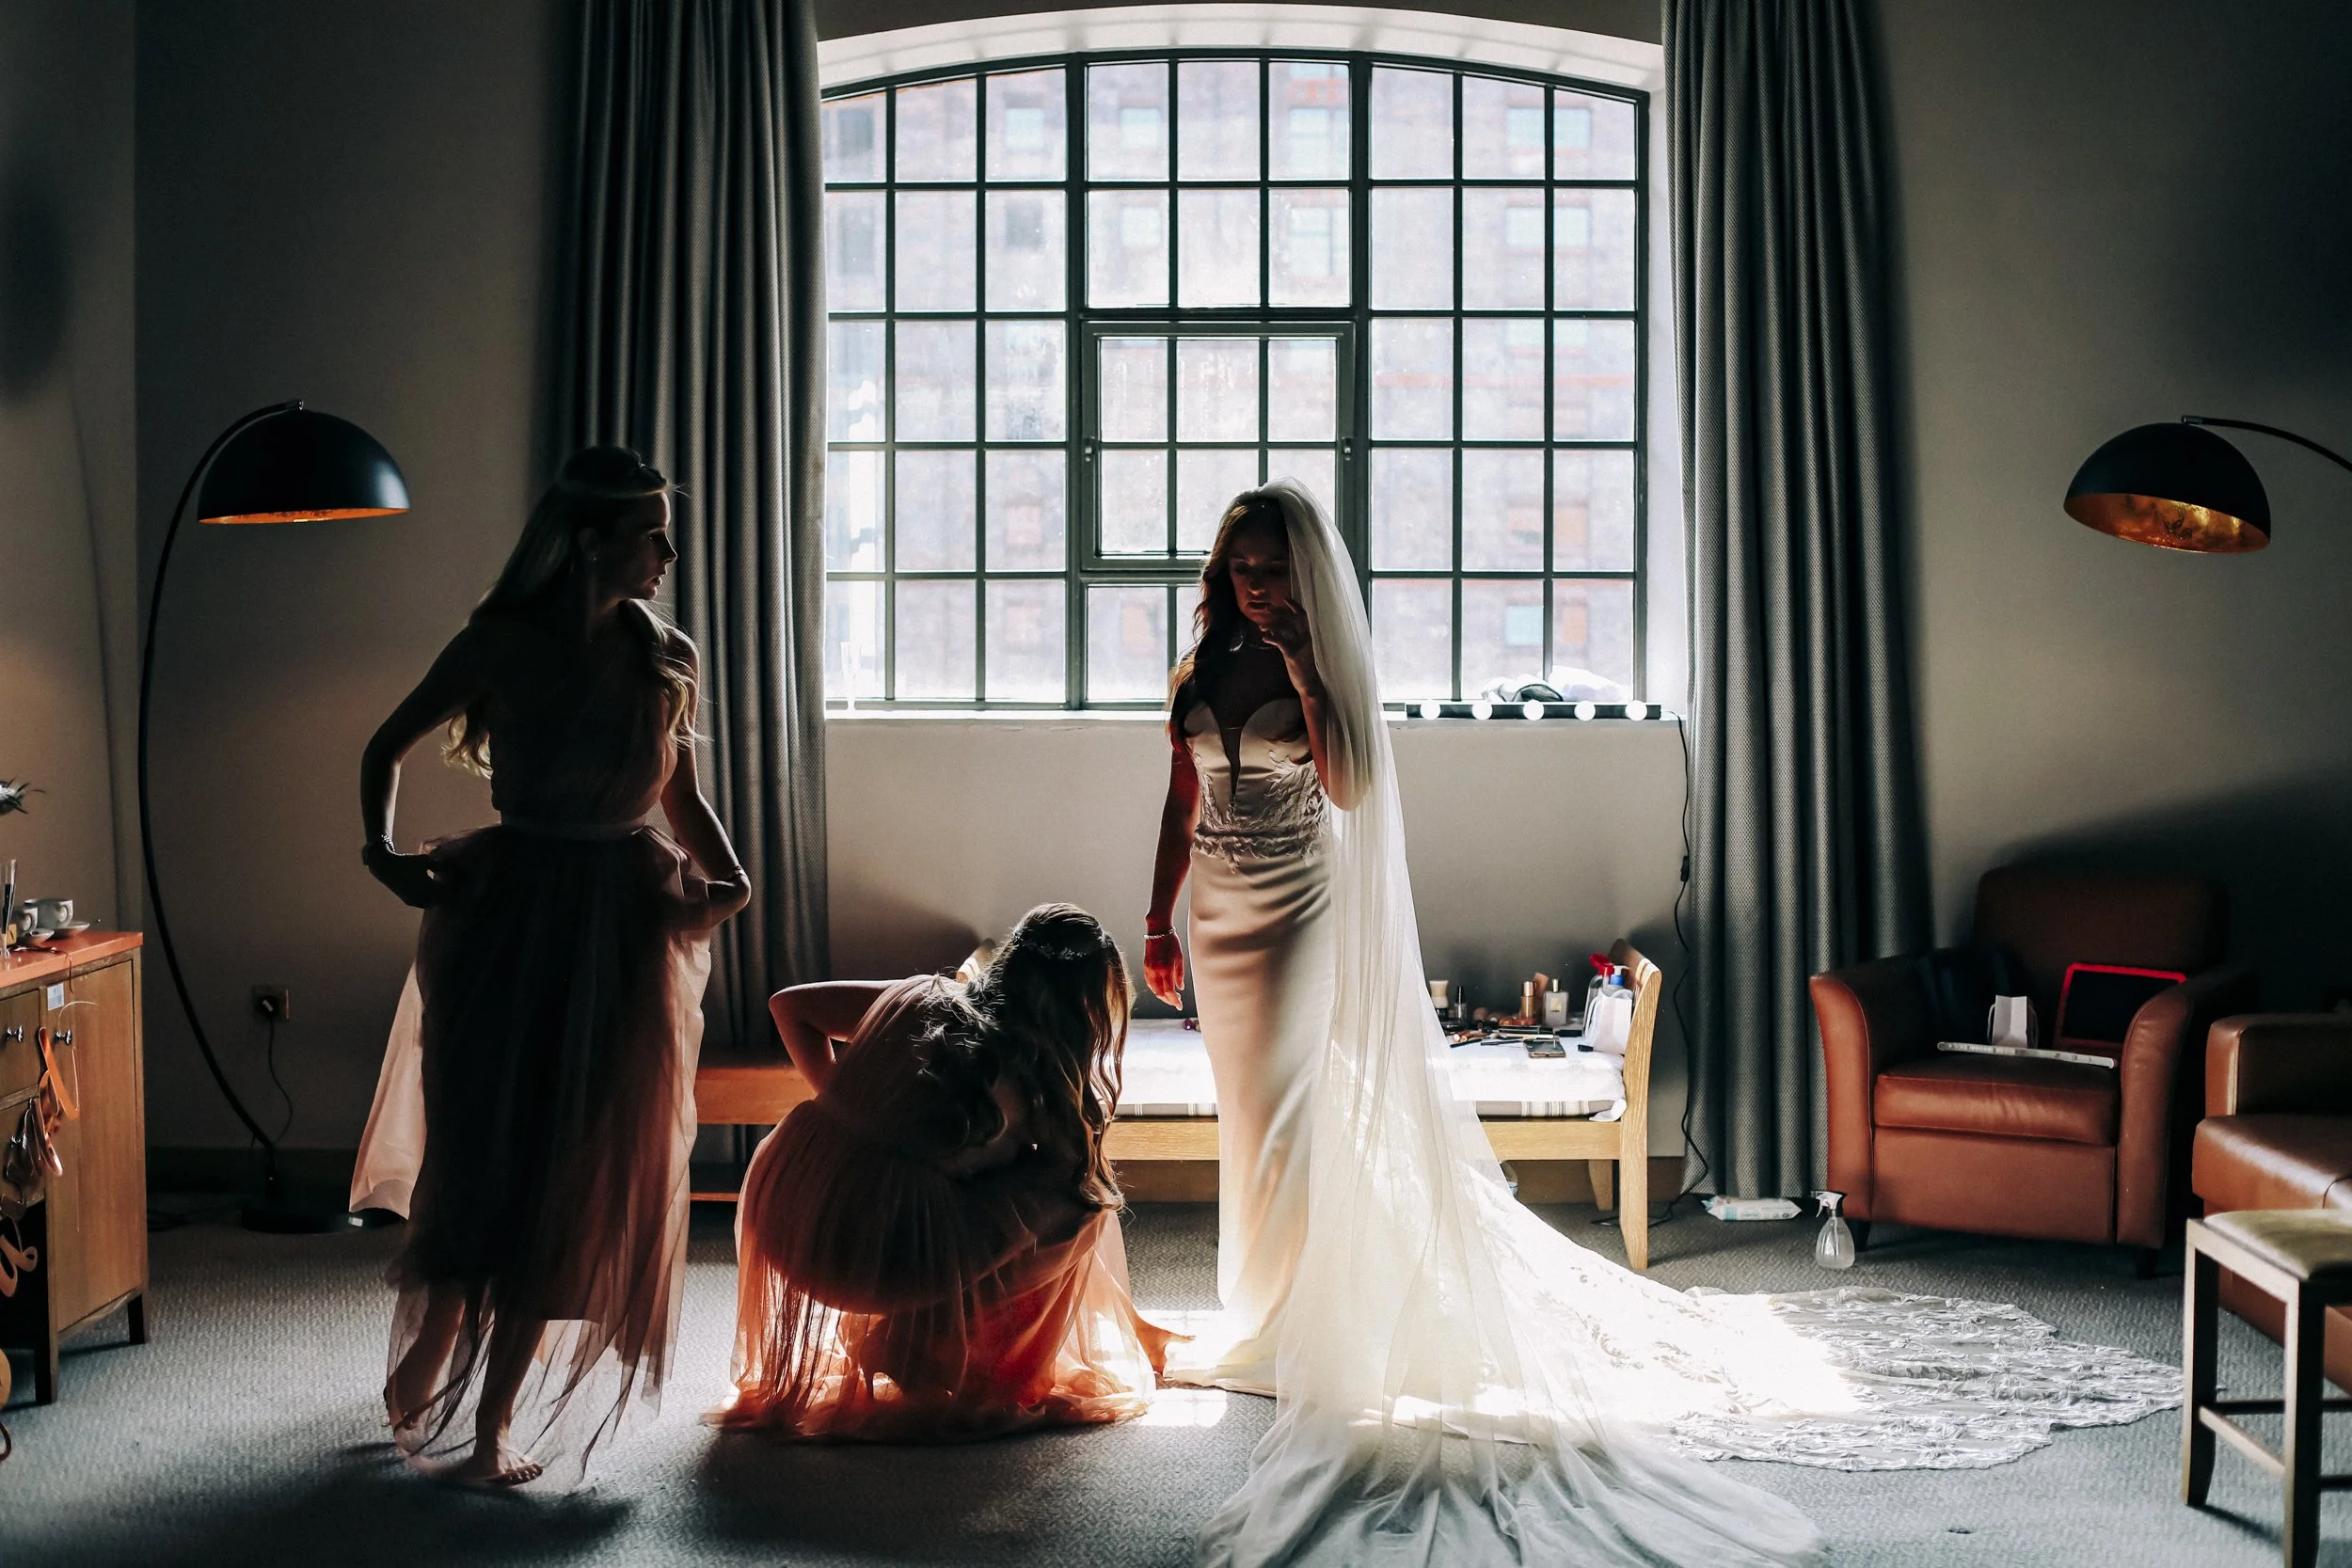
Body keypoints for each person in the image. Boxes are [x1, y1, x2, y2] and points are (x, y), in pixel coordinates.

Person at [1141, 483, 2180, 1567]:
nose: (1257, 586)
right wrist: (1159, 917)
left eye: (1272, 568)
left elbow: (1351, 786)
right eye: (1241, 568)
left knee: (1295, 1111)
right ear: (1221, 573)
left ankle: (1304, 1316)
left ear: (1303, 574)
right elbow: (1177, 802)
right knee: (1248, 1111)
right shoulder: (1199, 668)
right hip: (1216, 910)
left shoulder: (1317, 665)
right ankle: (1257, 1306)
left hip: (1301, 909)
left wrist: (1307, 667)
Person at [352, 445, 749, 1488]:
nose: (667, 551)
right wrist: (382, 857)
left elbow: (682, 795)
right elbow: (384, 746)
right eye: (649, 532)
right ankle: (435, 1349)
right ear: (588, 541)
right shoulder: (501, 643)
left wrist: (729, 873)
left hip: (621, 915)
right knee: (487, 1145)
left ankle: (489, 1430)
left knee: (579, 1163)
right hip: (509, 909)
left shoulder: (664, 650)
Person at [719, 904, 1171, 1440]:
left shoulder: (923, 1000)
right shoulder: (1039, 1075)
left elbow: (789, 1006)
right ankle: (940, 1355)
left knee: (1038, 1189)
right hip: (861, 1258)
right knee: (1083, 1205)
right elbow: (1081, 1188)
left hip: (786, 1212)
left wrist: (844, 1107)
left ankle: (923, 1338)